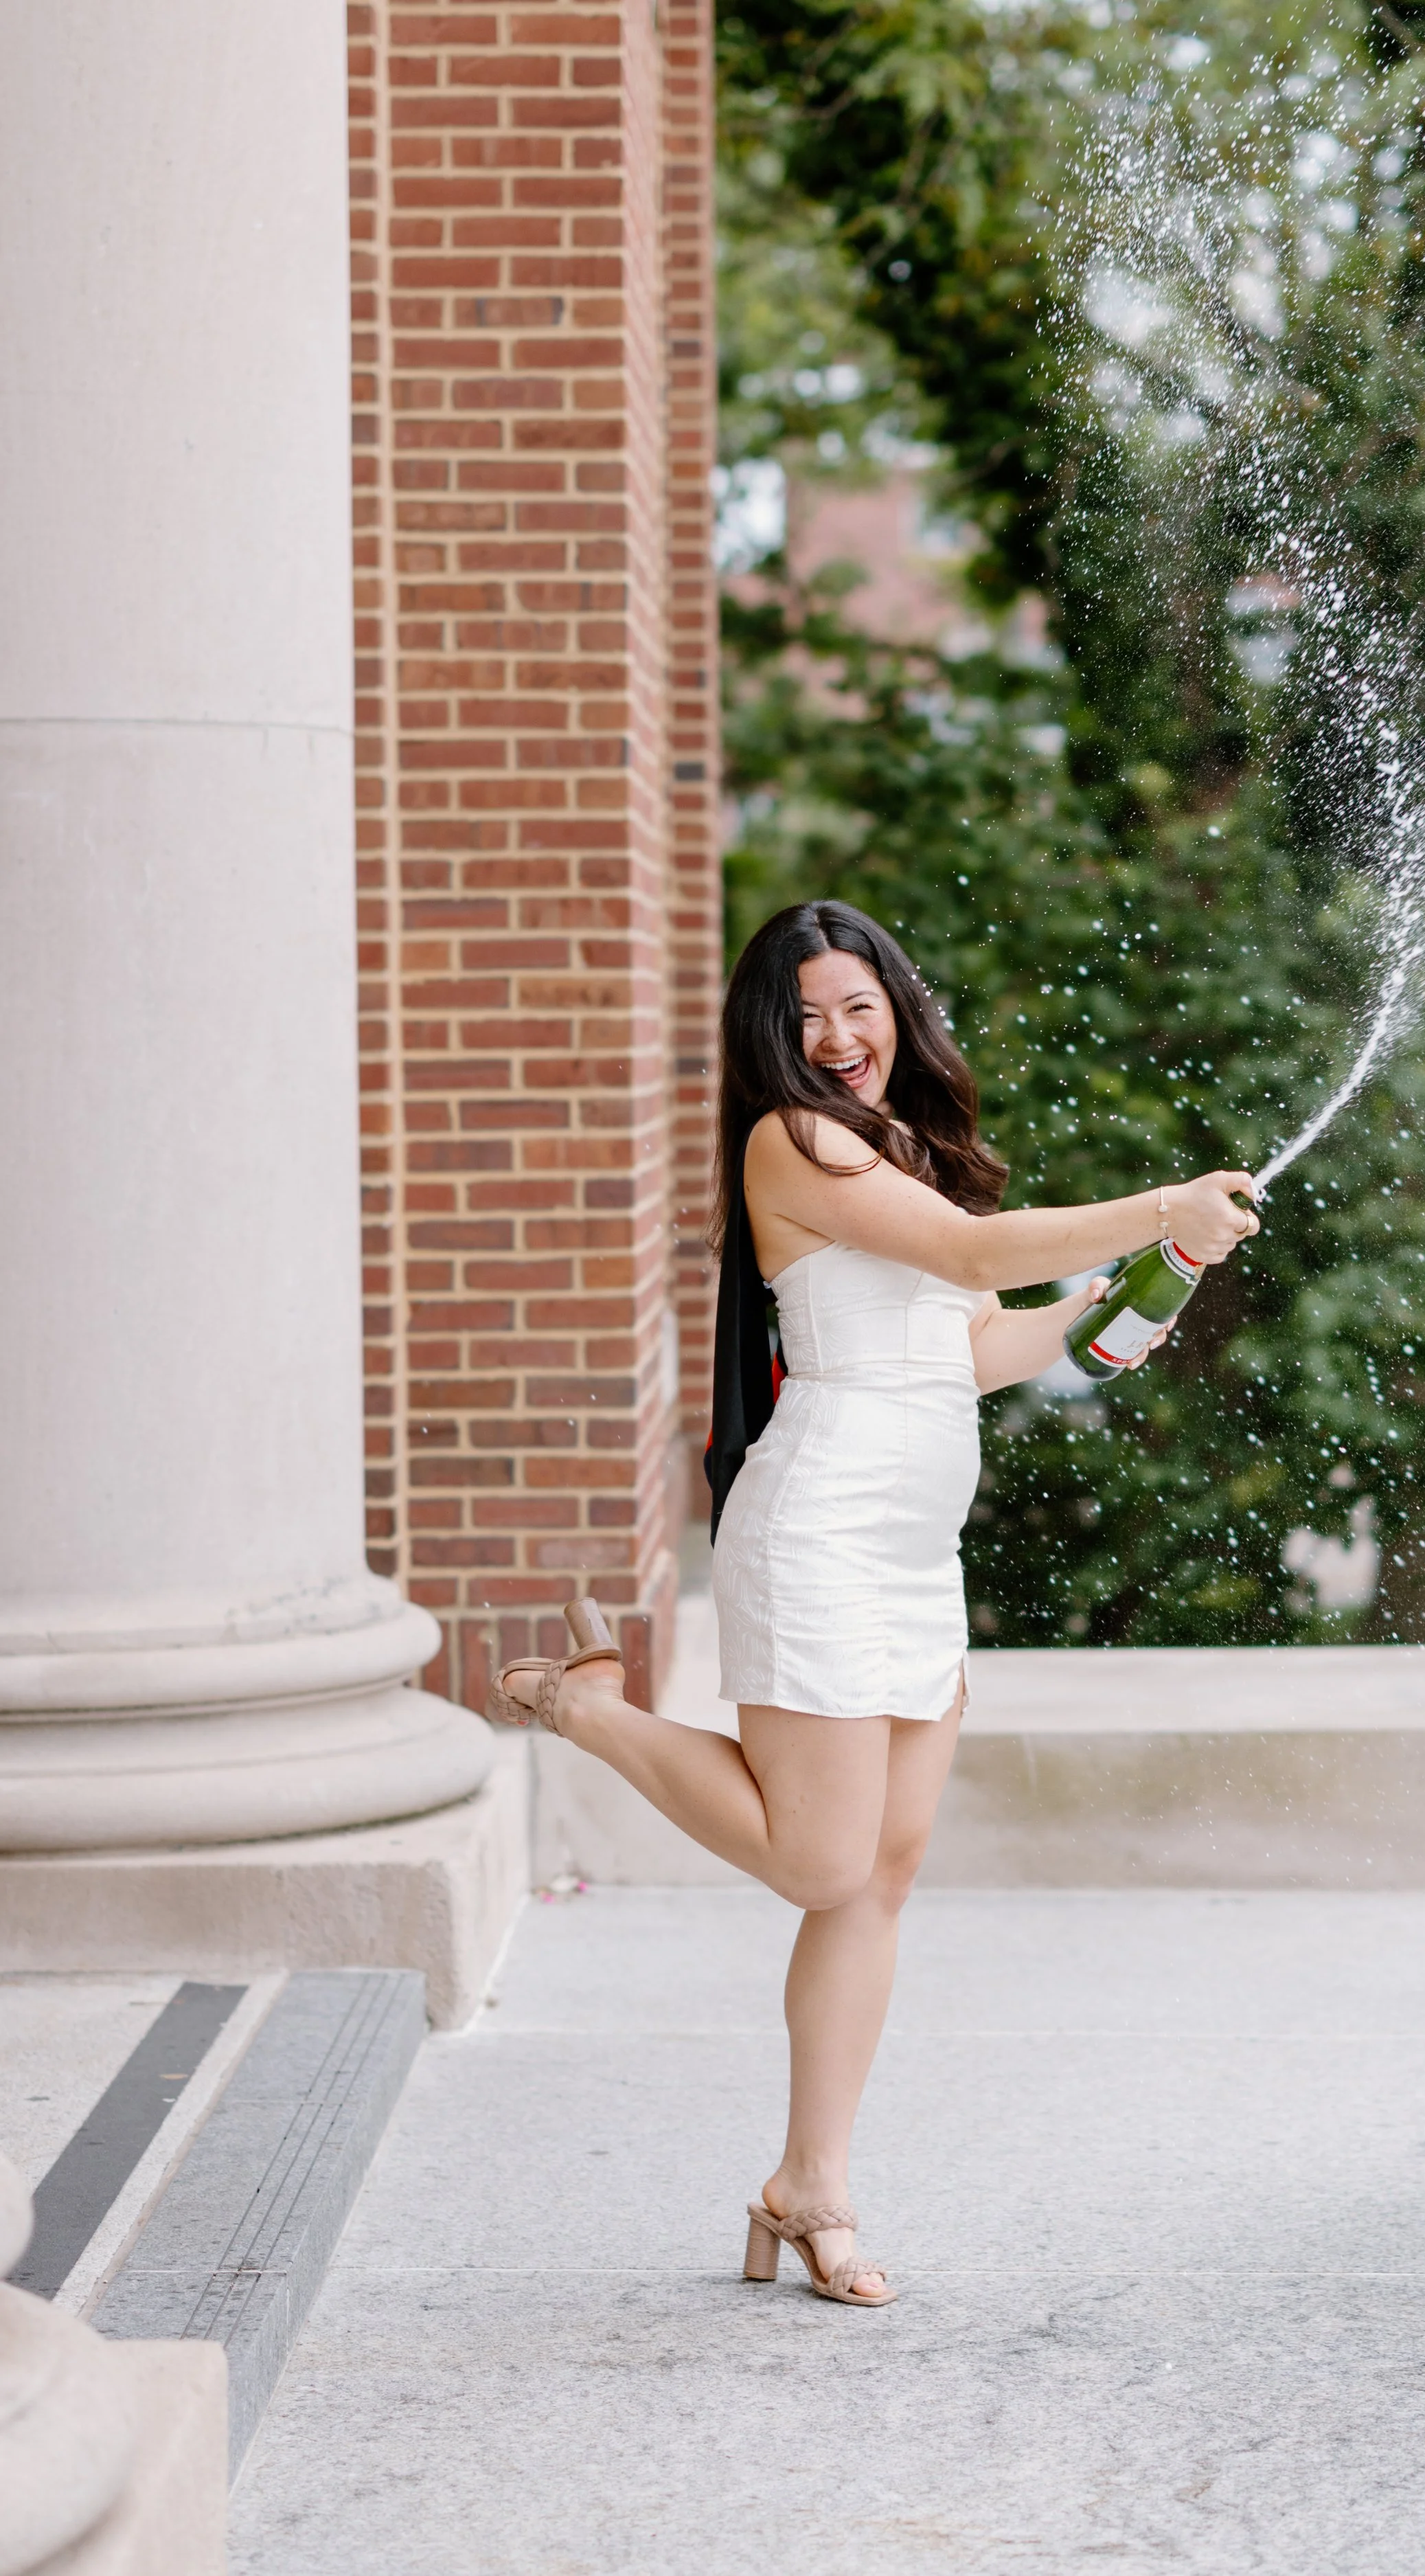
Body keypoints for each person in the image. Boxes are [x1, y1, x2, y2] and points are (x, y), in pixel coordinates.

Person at [490, 899, 1257, 2306]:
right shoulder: (792, 1141)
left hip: (914, 1551)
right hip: (823, 1533)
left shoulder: (908, 1155)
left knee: (880, 1881)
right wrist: (1162, 1202)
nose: (837, 1040)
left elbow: (983, 1342)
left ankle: (808, 2185)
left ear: (896, 1007)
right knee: (820, 1865)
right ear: (770, 1041)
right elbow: (975, 1262)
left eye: (857, 1008)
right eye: (805, 1020)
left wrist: (1154, 1287)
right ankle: (591, 1713)